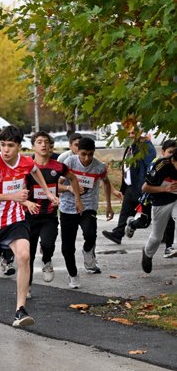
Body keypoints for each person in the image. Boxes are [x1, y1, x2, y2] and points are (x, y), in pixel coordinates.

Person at [0, 125, 59, 328]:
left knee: (24, 255)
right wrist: (12, 196)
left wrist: (47, 192)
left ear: (19, 146)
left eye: (10, 146)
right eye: (2, 145)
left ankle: (20, 310)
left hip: (15, 220)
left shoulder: (25, 161)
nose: (5, 150)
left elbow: (36, 171)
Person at [27, 132, 81, 295]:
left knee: (48, 244)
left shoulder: (57, 166)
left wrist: (77, 199)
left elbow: (73, 178)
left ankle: (47, 261)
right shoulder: (26, 165)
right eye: (39, 142)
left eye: (46, 142)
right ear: (33, 146)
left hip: (49, 215)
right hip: (29, 216)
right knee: (27, 254)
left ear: (51, 146)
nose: (43, 145)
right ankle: (27, 286)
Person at [59, 137, 113, 288]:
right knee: (67, 246)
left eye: (90, 154)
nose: (87, 158)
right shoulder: (69, 163)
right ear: (77, 151)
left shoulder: (98, 167)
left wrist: (108, 205)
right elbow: (57, 185)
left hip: (88, 206)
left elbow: (106, 183)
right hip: (68, 207)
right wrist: (70, 188)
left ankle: (88, 252)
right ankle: (73, 274)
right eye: (83, 154)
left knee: (90, 234)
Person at [103, 125, 155, 244]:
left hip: (141, 186)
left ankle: (162, 235)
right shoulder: (131, 146)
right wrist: (124, 188)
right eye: (129, 133)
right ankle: (118, 234)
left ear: (140, 132)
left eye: (133, 133)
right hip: (130, 186)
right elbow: (127, 167)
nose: (131, 135)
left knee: (147, 218)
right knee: (125, 211)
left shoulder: (146, 146)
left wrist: (146, 184)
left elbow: (149, 166)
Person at [126, 140, 177, 257]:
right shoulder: (158, 164)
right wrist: (165, 189)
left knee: (171, 222)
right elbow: (145, 187)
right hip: (151, 198)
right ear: (163, 152)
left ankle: (169, 247)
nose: (171, 154)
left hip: (173, 199)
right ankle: (132, 224)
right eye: (169, 152)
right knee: (146, 223)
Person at [140, 151, 177, 274]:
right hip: (161, 201)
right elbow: (145, 188)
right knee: (157, 237)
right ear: (173, 161)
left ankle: (173, 246)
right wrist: (164, 188)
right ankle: (147, 253)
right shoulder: (161, 165)